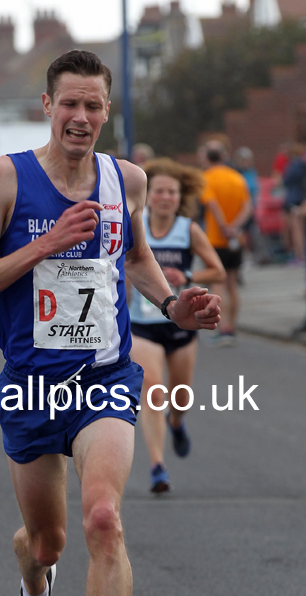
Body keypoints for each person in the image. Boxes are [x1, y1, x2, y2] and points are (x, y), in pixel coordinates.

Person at [0, 50, 220, 596]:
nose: (80, 117)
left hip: (104, 378)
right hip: (33, 384)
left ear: (106, 112)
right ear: (46, 106)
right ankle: (33, 595)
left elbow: (131, 258)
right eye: (68, 104)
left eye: (93, 106)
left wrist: (172, 301)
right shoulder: (5, 178)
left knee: (103, 518)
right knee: (48, 542)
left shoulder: (124, 179)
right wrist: (40, 250)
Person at [129, 158, 225, 493]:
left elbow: (218, 270)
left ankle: (177, 421)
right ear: (148, 195)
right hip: (142, 322)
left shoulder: (189, 230)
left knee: (179, 398)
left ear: (179, 196)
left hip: (182, 325)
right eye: (159, 191)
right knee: (152, 389)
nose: (166, 197)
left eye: (172, 192)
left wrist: (186, 276)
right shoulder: (134, 225)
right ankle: (158, 465)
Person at [200, 140, 252, 345]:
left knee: (217, 283)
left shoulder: (207, 178)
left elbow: (211, 204)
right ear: (223, 156)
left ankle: (223, 329)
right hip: (235, 239)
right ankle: (233, 327)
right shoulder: (237, 177)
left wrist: (223, 226)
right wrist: (235, 227)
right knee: (232, 283)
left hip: (216, 238)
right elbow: (248, 206)